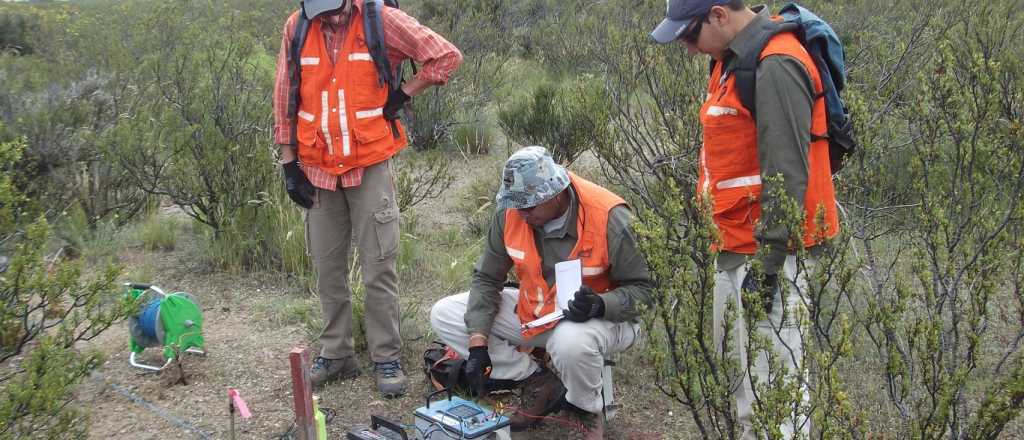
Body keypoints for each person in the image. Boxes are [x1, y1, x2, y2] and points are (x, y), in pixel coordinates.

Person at [650, 0, 840, 438]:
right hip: (735, 244)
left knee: (776, 389)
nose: (685, 45)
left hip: (772, 255)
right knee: (744, 381)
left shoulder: (776, 64)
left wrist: (769, 269)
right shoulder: (731, 60)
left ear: (719, 14)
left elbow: (786, 172)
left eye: (688, 34)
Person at [272, 0, 462, 397]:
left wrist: (404, 93)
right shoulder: (297, 26)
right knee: (327, 268)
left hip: (369, 163)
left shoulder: (380, 19)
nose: (319, 17)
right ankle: (337, 353)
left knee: (379, 267)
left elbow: (445, 56)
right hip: (316, 169)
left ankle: (386, 357)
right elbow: (285, 94)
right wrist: (289, 164)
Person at [429, 146, 652, 440]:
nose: (521, 213)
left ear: (556, 193)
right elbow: (486, 278)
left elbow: (646, 292)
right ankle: (537, 380)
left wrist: (600, 305)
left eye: (530, 206)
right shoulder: (511, 213)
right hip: (537, 314)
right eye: (516, 205)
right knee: (445, 313)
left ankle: (585, 410)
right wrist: (478, 345)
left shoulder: (608, 217)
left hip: (603, 322)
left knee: (571, 340)